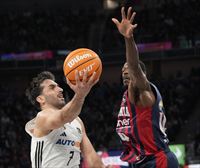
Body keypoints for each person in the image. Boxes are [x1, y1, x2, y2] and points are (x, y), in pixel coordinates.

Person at [112, 7, 179, 168]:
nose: (125, 72)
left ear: (142, 74)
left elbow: (135, 68)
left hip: (158, 160)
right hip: (140, 161)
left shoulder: (142, 91)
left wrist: (129, 39)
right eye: (122, 70)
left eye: (127, 68)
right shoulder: (127, 96)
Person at [25, 70, 110, 168]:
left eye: (58, 86)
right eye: (52, 88)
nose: (60, 89)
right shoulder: (42, 117)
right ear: (41, 99)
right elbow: (62, 117)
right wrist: (80, 95)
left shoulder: (77, 121)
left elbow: (90, 154)